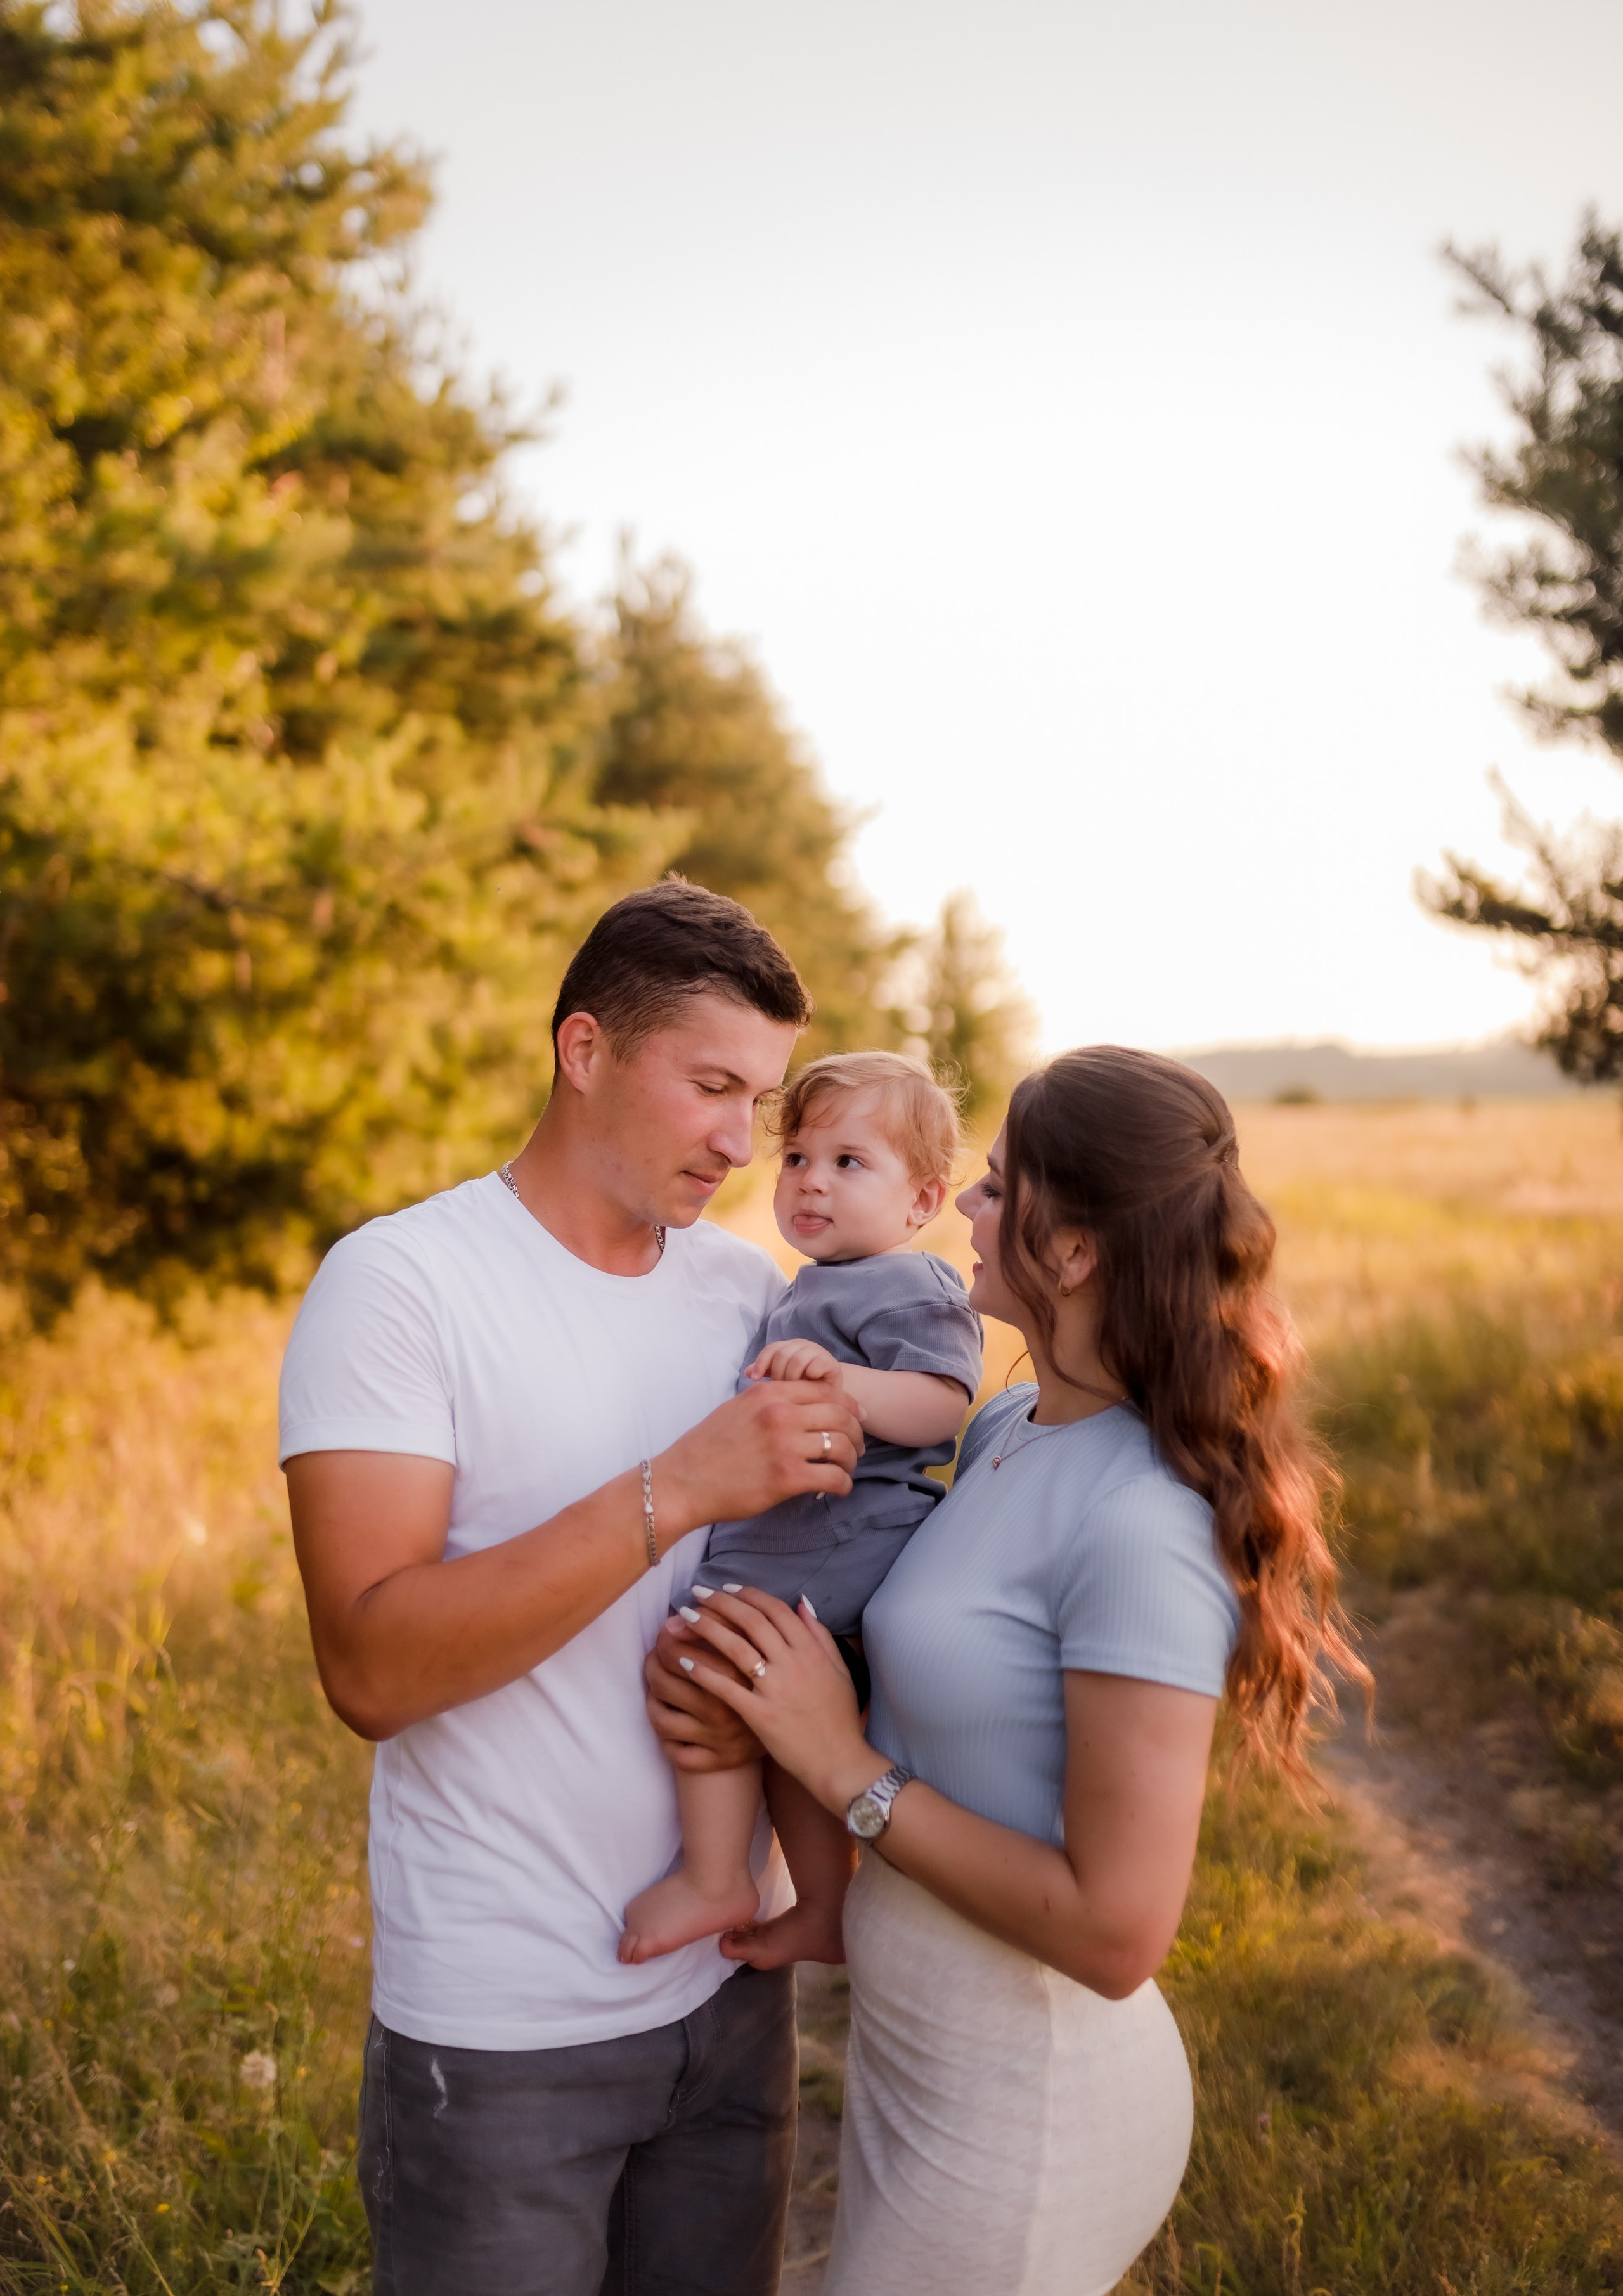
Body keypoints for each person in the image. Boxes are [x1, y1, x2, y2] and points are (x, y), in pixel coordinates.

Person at [652, 1045, 1369, 2296]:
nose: (968, 1212)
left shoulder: (1140, 1521)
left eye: (994, 1186)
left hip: (1025, 2112)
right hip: (915, 2072)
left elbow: (1114, 1933)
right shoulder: (1004, 1425)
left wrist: (839, 1763)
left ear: (1076, 1250)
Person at [279, 879, 867, 2296]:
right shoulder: (401, 1284)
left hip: (730, 1997)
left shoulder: (750, 1295)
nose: (742, 1141)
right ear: (586, 1050)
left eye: (765, 1098)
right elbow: (370, 1670)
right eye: (711, 1086)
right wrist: (680, 1487)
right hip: (500, 2036)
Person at [618, 1052, 983, 1971]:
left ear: (921, 1201)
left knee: (706, 1655)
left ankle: (715, 1876)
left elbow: (942, 1404)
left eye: (850, 1163)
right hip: (798, 1538)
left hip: (839, 1538)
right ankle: (823, 1903)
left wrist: (844, 1383)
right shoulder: (800, 1289)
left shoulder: (911, 1284)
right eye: (797, 1159)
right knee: (780, 1724)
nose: (812, 1181)